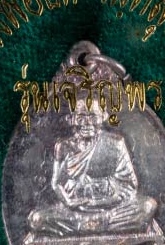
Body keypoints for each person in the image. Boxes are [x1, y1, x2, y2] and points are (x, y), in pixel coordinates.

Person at [28, 99, 157, 237]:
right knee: (38, 219)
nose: (87, 123)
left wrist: (103, 197)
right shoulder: (63, 147)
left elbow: (129, 185)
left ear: (103, 117)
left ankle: (86, 227)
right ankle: (100, 227)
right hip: (75, 211)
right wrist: (68, 201)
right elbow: (57, 183)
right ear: (71, 119)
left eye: (93, 117)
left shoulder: (115, 143)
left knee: (147, 207)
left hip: (111, 208)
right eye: (81, 117)